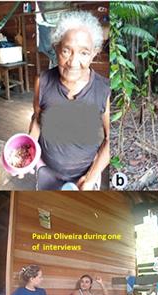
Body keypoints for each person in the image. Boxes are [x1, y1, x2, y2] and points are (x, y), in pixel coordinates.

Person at [27, 10, 110, 190]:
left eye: (84, 53)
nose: (73, 62)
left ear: (94, 53)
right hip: (47, 171)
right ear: (56, 47)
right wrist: (28, 153)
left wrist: (90, 179)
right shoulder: (42, 81)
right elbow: (37, 119)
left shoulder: (105, 90)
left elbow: (110, 140)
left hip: (85, 175)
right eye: (66, 51)